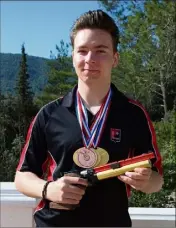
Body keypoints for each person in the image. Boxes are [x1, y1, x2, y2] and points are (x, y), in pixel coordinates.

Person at [14, 9, 164, 227]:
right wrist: (49, 189)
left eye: (100, 51)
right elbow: (22, 176)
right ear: (73, 56)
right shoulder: (49, 114)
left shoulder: (134, 114)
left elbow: (157, 180)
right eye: (82, 51)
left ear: (115, 58)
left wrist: (146, 181)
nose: (90, 59)